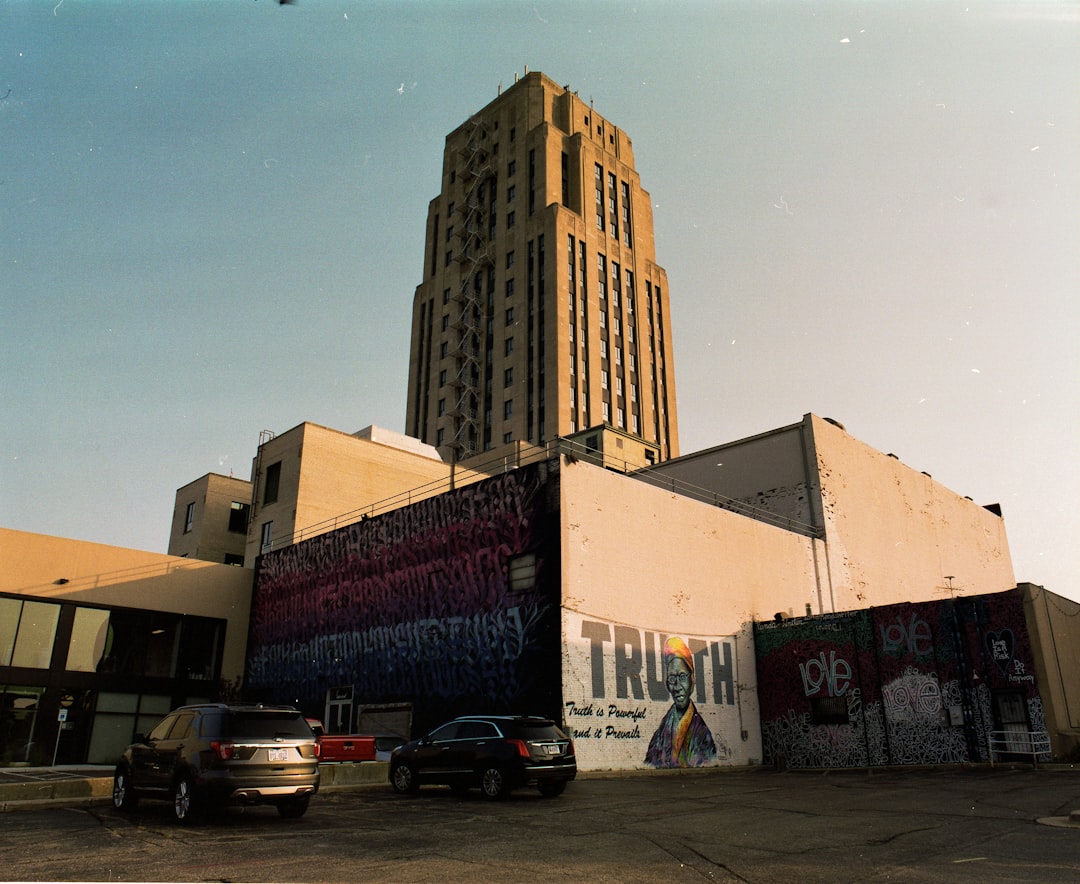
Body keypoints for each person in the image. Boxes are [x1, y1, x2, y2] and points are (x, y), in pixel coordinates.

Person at [645, 636, 718, 767]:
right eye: (672, 678)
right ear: (667, 683)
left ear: (692, 681)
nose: (678, 686)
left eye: (683, 677)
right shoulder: (662, 729)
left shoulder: (702, 734)